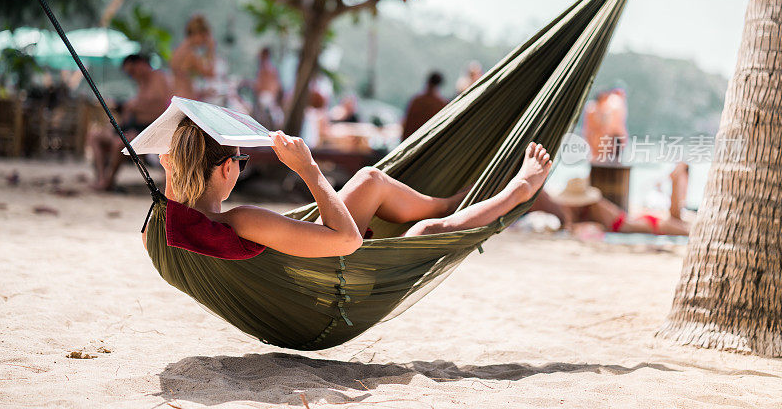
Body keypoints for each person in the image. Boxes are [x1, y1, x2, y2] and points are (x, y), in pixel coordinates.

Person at [148, 120, 553, 257]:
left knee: (371, 180)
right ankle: (515, 193)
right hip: (328, 283)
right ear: (224, 169)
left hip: (306, 257)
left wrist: (169, 173)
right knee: (423, 235)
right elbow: (346, 241)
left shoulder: (175, 222)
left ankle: (446, 201)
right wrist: (309, 171)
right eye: (241, 160)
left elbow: (168, 204)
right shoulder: (240, 220)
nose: (240, 167)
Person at [87, 54, 172, 191]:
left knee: (120, 143)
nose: (132, 76)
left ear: (141, 64)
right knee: (95, 135)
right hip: (131, 126)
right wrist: (128, 109)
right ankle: (102, 178)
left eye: (132, 71)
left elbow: (160, 107)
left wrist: (134, 106)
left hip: (148, 130)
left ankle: (108, 181)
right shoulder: (141, 82)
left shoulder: (158, 77)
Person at [550, 164, 690, 236]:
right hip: (644, 221)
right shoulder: (590, 206)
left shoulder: (594, 206)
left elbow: (598, 228)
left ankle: (676, 178)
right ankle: (676, 178)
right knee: (678, 220)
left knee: (690, 232)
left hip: (650, 225)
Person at [170, 14, 216, 99]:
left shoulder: (178, 51)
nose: (205, 41)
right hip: (184, 101)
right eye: (204, 37)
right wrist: (211, 50)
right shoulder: (190, 54)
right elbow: (210, 73)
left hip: (177, 98)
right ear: (197, 34)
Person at [401, 71, 447, 140]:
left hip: (410, 141)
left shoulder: (416, 100)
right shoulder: (441, 104)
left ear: (428, 82)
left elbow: (406, 125)